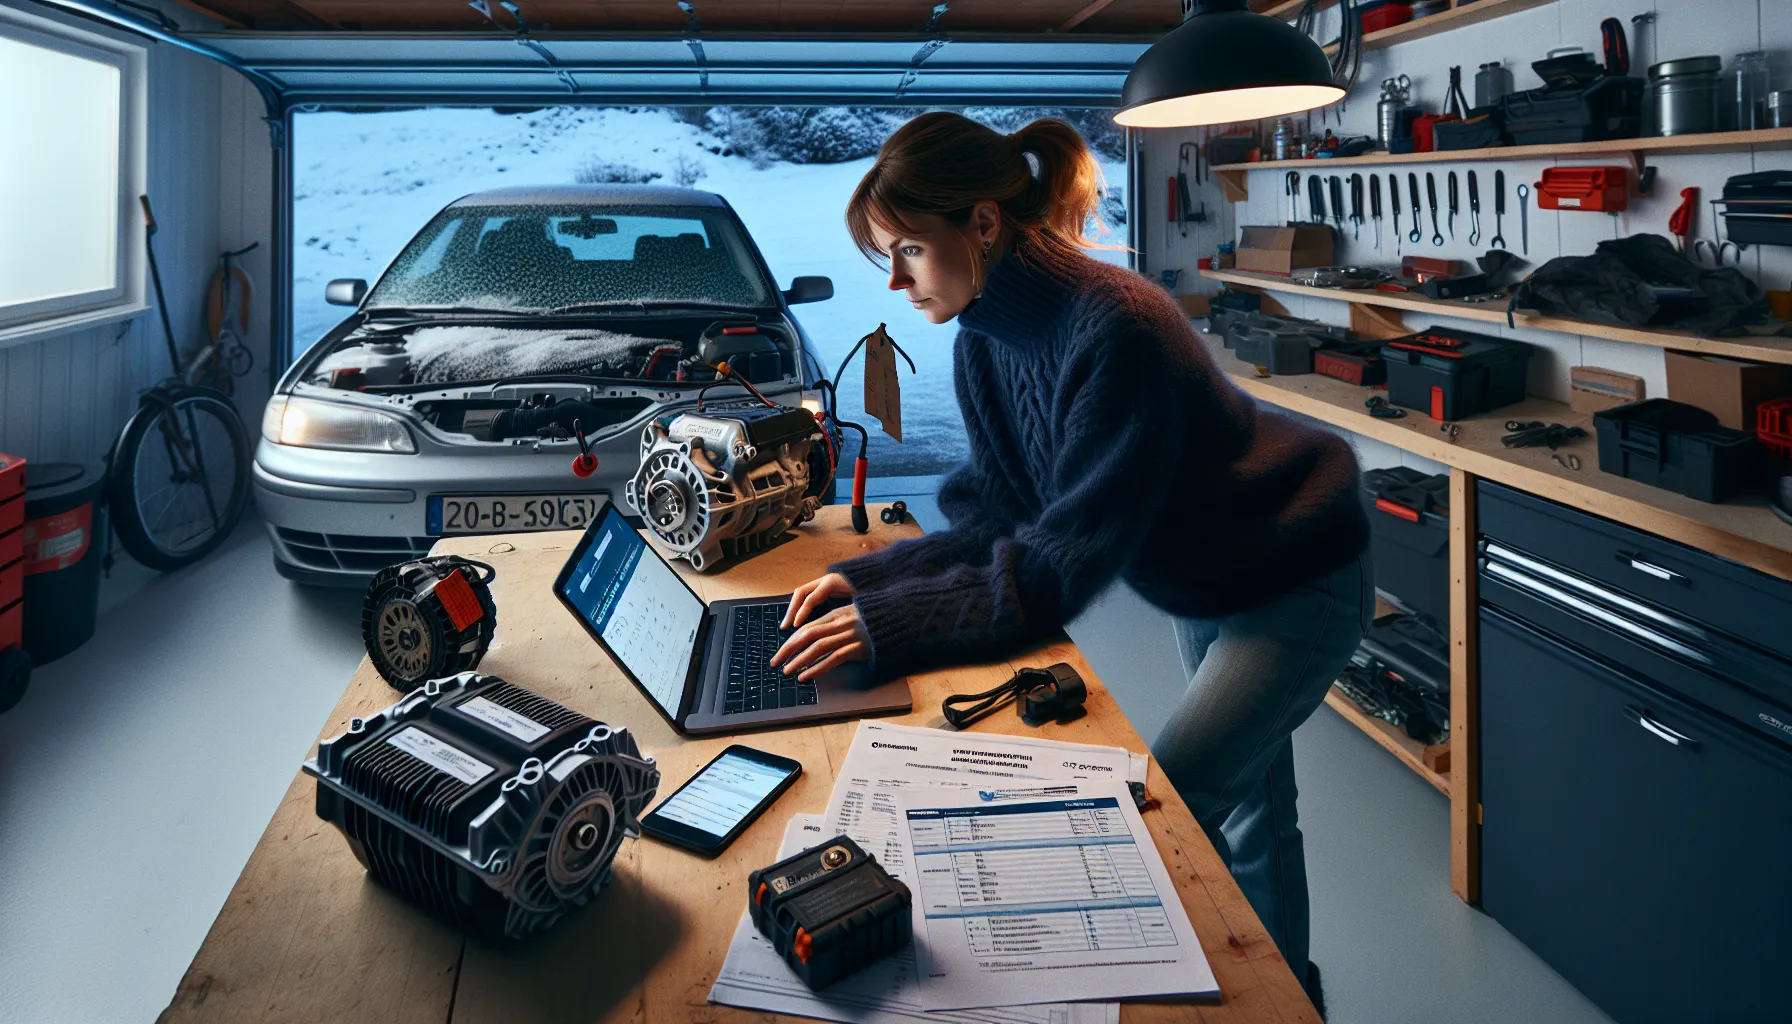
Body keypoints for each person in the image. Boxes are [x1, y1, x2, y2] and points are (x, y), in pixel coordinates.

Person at [768, 111, 1372, 1004]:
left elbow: (1053, 570)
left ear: (982, 224)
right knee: (1252, 814)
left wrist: (887, 626)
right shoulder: (983, 339)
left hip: (1296, 571)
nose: (895, 283)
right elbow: (1002, 515)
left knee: (1170, 822)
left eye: (909, 252)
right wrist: (862, 580)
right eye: (884, 258)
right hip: (1202, 580)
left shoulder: (1117, 327)